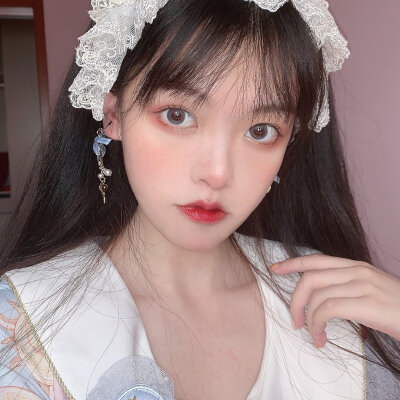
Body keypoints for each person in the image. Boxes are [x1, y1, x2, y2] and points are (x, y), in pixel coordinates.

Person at [0, 0, 399, 399]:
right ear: (113, 114)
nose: (218, 173)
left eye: (261, 130)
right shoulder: (22, 320)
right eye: (177, 115)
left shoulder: (333, 295)